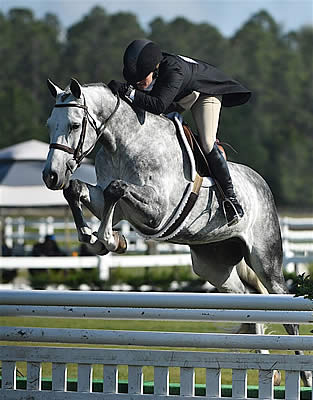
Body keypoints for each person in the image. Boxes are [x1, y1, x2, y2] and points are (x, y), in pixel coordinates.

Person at [108, 39, 251, 226]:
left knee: (207, 142)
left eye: (143, 80)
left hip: (204, 93)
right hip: (180, 95)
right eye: (135, 81)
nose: (139, 84)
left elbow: (158, 105)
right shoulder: (149, 71)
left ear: (155, 69)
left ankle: (231, 200)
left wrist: (129, 92)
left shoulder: (173, 71)